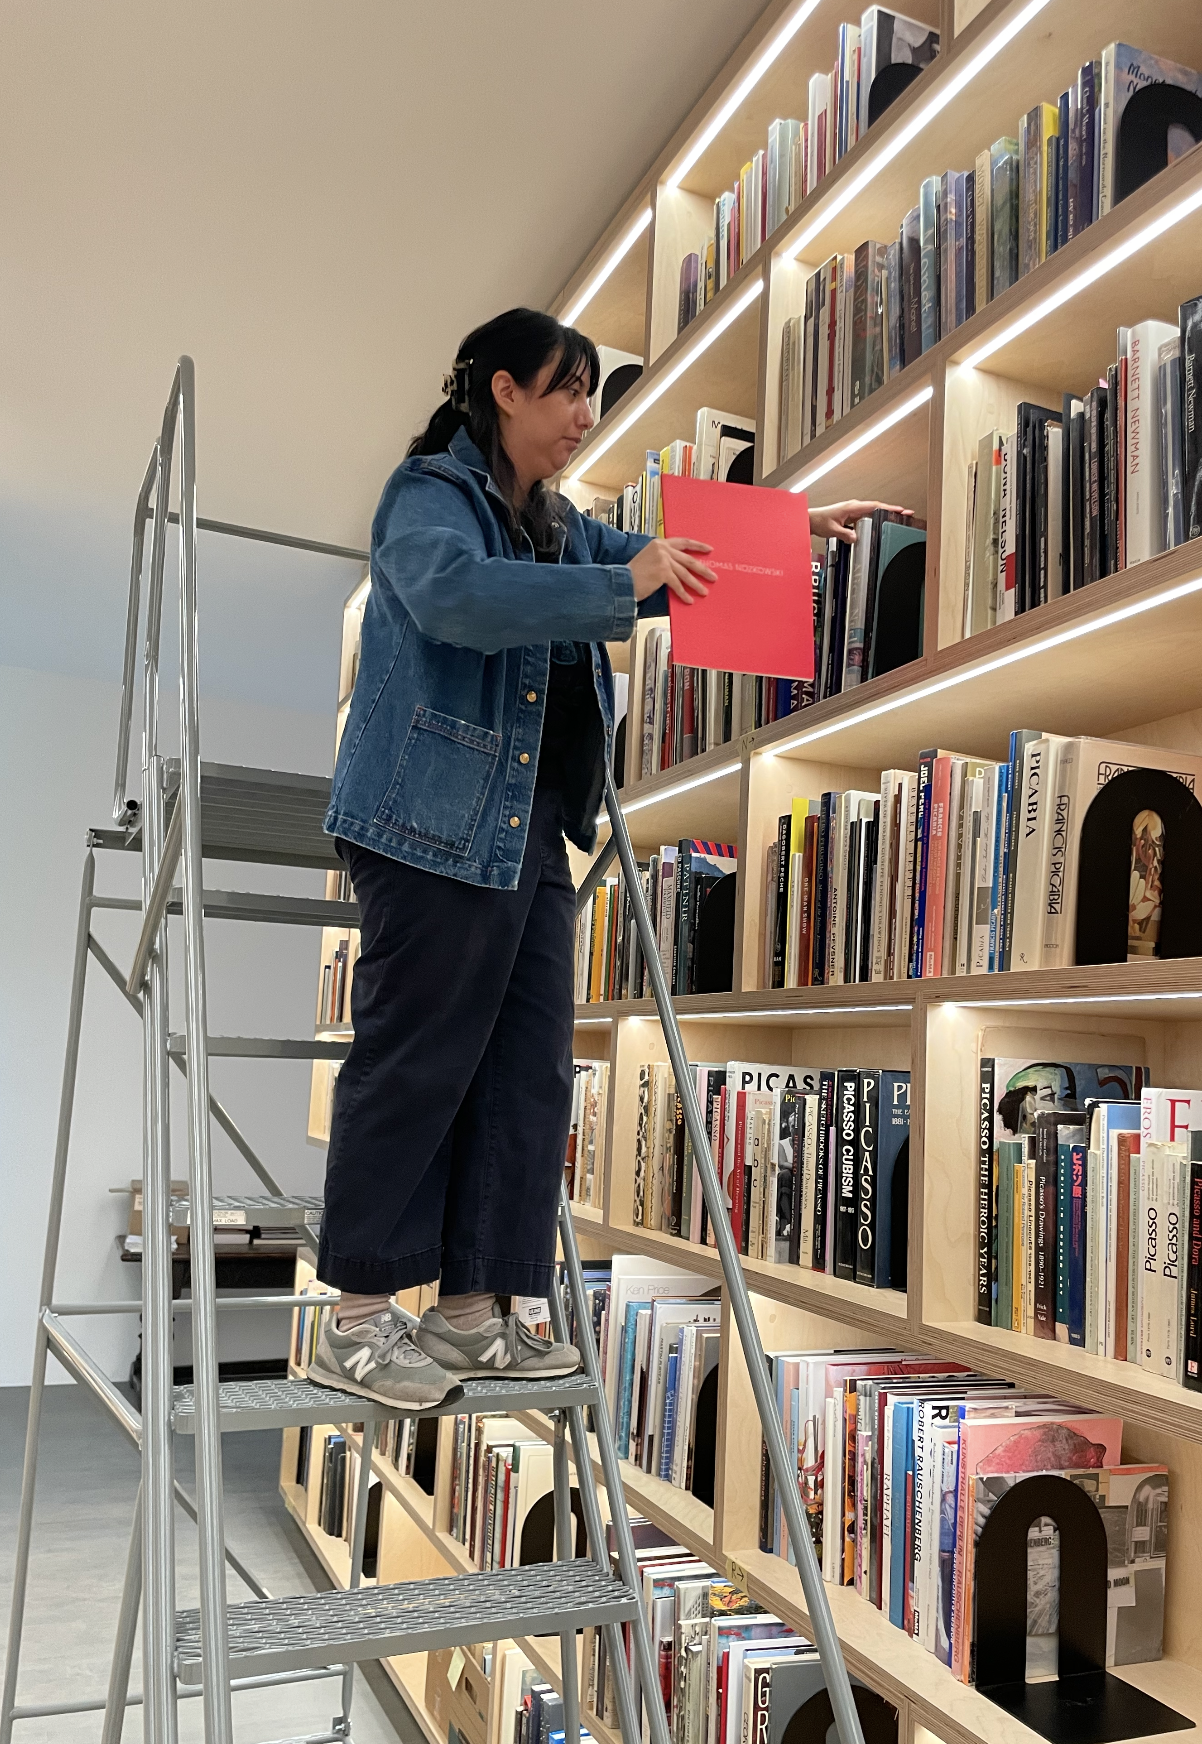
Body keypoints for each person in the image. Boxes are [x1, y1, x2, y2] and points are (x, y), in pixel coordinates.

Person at [307, 306, 899, 1408]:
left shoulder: (561, 523)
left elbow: (673, 565)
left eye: (589, 392)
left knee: (527, 1073)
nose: (584, 414)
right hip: (429, 822)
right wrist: (628, 583)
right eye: (566, 389)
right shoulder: (428, 497)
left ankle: (472, 1311)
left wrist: (797, 531)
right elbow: (454, 596)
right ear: (501, 391)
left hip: (530, 831)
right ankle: (352, 1316)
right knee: (417, 1056)